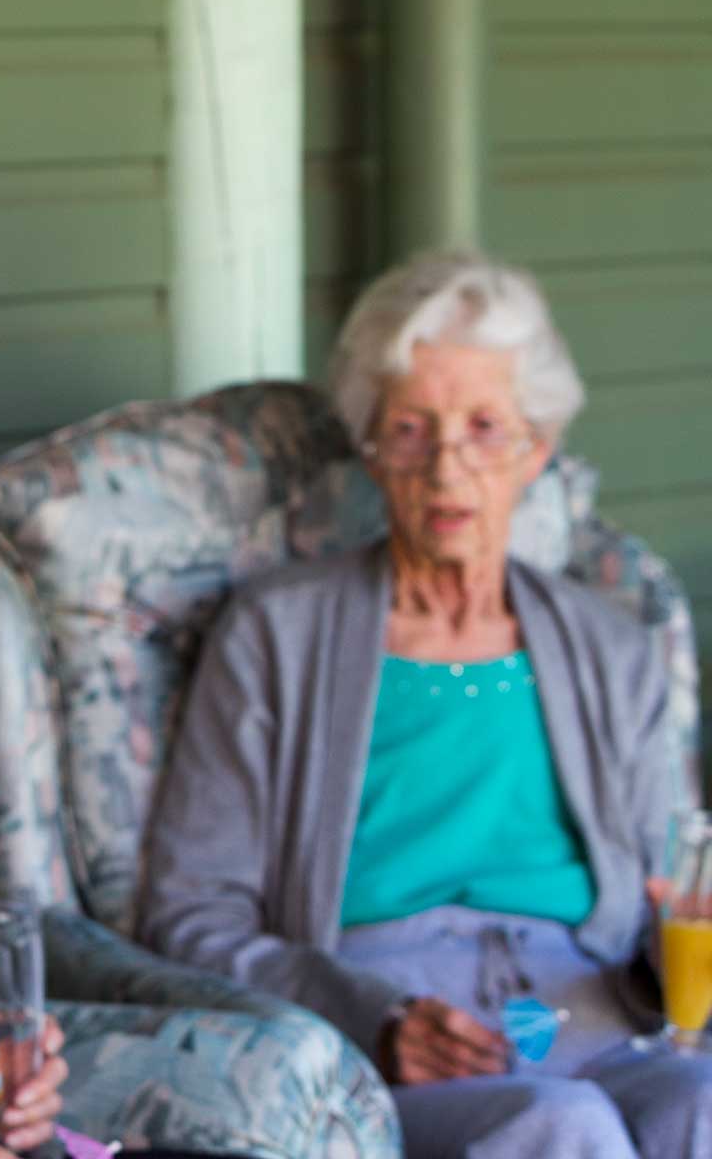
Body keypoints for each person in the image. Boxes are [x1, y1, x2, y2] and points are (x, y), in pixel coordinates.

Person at [139, 250, 712, 1157]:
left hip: (593, 1016)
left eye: (486, 427)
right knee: (560, 1128)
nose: (447, 467)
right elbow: (191, 914)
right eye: (410, 428)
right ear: (369, 446)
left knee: (703, 1106)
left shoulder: (611, 645)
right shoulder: (275, 638)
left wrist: (683, 932)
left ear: (537, 448)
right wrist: (375, 1016)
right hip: (389, 1037)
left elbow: (663, 905)